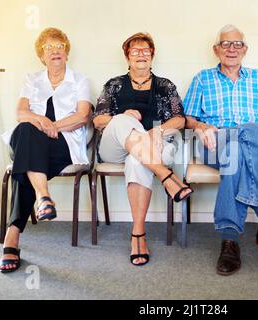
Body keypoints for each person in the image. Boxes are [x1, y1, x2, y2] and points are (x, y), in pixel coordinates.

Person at [183, 24, 258, 276]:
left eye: (237, 44)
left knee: (246, 136)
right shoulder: (202, 78)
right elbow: (188, 119)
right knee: (234, 151)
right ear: (216, 49)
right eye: (226, 44)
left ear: (245, 49)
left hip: (252, 140)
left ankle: (230, 242)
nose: (232, 49)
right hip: (215, 143)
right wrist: (202, 126)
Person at [93, 32, 192, 266]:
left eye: (145, 50)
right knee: (120, 121)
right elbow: (98, 120)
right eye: (134, 51)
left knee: (137, 161)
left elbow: (180, 120)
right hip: (115, 149)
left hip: (157, 145)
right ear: (127, 57)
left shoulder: (165, 86)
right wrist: (122, 117)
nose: (140, 54)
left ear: (152, 55)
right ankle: (166, 176)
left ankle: (138, 234)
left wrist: (157, 131)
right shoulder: (114, 85)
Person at [0, 27, 92, 273]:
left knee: (26, 161)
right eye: (49, 48)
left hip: (63, 145)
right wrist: (42, 123)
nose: (55, 51)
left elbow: (82, 116)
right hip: (30, 141)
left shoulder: (79, 80)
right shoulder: (32, 79)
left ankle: (12, 237)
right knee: (25, 131)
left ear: (67, 53)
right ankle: (43, 197)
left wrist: (52, 126)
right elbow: (21, 113)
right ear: (41, 55)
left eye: (59, 46)